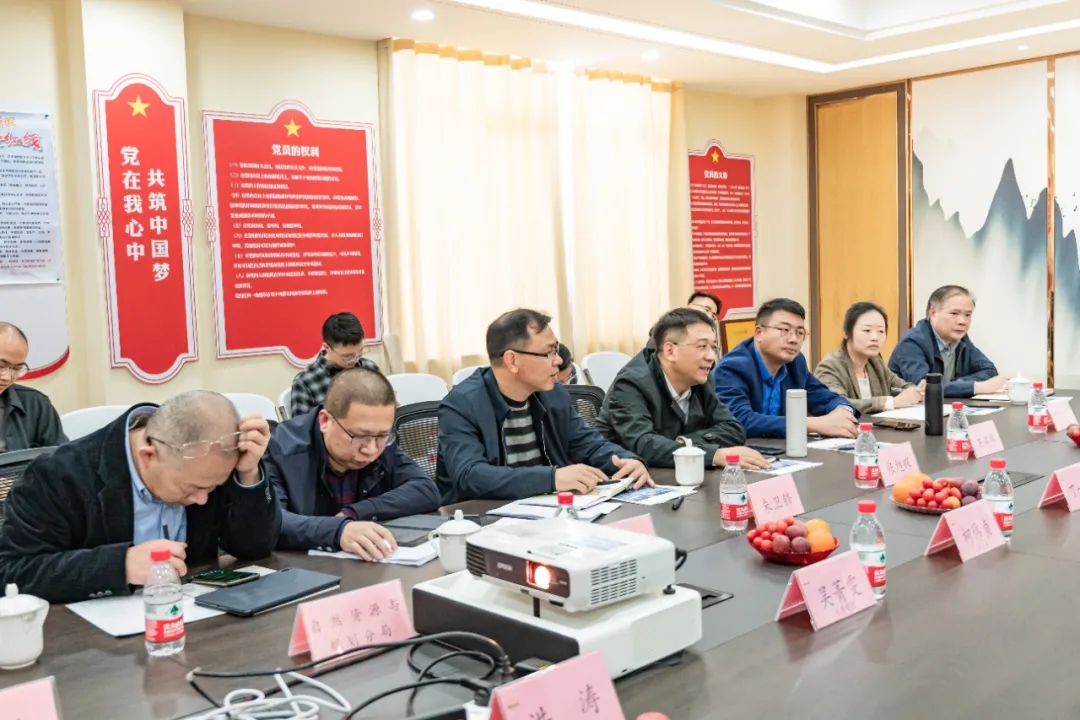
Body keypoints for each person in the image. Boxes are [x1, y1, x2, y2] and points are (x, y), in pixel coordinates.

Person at [0, 391, 280, 604]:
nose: (202, 499)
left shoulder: (208, 464)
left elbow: (254, 548)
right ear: (148, 456)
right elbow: (12, 573)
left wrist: (248, 474)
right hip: (96, 645)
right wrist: (120, 565)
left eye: (212, 487)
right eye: (191, 488)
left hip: (195, 623)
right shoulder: (58, 476)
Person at [438, 309, 652, 504]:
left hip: (548, 511)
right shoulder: (462, 404)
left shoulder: (553, 394)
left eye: (555, 350)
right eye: (548, 352)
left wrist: (627, 461)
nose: (558, 360)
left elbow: (588, 444)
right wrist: (552, 478)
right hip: (483, 518)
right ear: (512, 360)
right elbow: (470, 476)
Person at [266, 368, 440, 560]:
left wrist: (357, 512)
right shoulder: (279, 450)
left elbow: (426, 490)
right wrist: (339, 530)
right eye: (359, 436)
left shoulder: (378, 440)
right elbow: (271, 522)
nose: (371, 450)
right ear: (325, 421)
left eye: (382, 436)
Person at [595, 308, 768, 470]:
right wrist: (714, 455)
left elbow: (733, 429)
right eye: (702, 346)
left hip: (678, 474)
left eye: (714, 347)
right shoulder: (630, 384)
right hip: (626, 478)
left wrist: (685, 442)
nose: (711, 357)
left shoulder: (700, 379)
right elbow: (644, 445)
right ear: (670, 351)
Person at [713, 298, 858, 439]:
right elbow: (739, 421)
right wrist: (813, 424)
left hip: (781, 449)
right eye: (785, 330)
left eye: (800, 332)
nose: (793, 339)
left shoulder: (795, 363)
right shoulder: (732, 368)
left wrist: (842, 410)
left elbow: (822, 396)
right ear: (759, 333)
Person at [888, 285, 1007, 398]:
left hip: (946, 407)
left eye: (967, 315)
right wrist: (976, 387)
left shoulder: (961, 340)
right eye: (954, 313)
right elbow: (924, 387)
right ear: (933, 313)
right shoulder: (912, 342)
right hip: (909, 411)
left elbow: (990, 371)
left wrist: (954, 384)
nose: (962, 321)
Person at [815, 302, 924, 413]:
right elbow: (837, 404)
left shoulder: (875, 362)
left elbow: (900, 386)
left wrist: (918, 391)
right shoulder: (830, 366)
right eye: (867, 330)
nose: (875, 337)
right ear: (847, 333)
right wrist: (891, 403)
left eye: (881, 331)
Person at [290, 312, 379, 417]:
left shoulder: (370, 368)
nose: (355, 359)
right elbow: (301, 426)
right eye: (347, 356)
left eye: (360, 351)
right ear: (327, 347)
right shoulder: (306, 382)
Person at [0, 323, 66, 452]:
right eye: (1, 365)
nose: (7, 377)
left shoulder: (35, 404)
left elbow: (61, 457)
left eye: (17, 368)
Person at [646, 291, 722, 351]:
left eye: (713, 315)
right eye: (707, 310)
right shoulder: (668, 330)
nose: (709, 316)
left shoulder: (705, 337)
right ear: (690, 307)